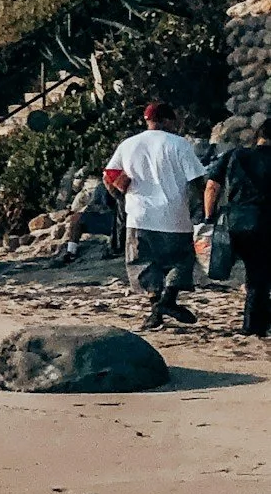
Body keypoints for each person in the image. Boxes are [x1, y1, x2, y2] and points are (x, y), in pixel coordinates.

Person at [105, 102, 208, 330]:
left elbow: (110, 174)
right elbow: (196, 181)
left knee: (144, 264)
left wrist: (122, 197)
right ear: (168, 120)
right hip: (174, 214)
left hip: (139, 216)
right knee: (180, 260)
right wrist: (202, 208)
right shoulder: (179, 144)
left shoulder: (128, 144)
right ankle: (168, 300)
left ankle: (155, 311)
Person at [205, 126, 271, 337]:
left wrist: (208, 216)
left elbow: (212, 186)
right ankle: (253, 326)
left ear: (258, 136)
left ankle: (259, 320)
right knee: (258, 275)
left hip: (235, 222)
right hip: (264, 222)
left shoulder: (234, 155)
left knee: (255, 273)